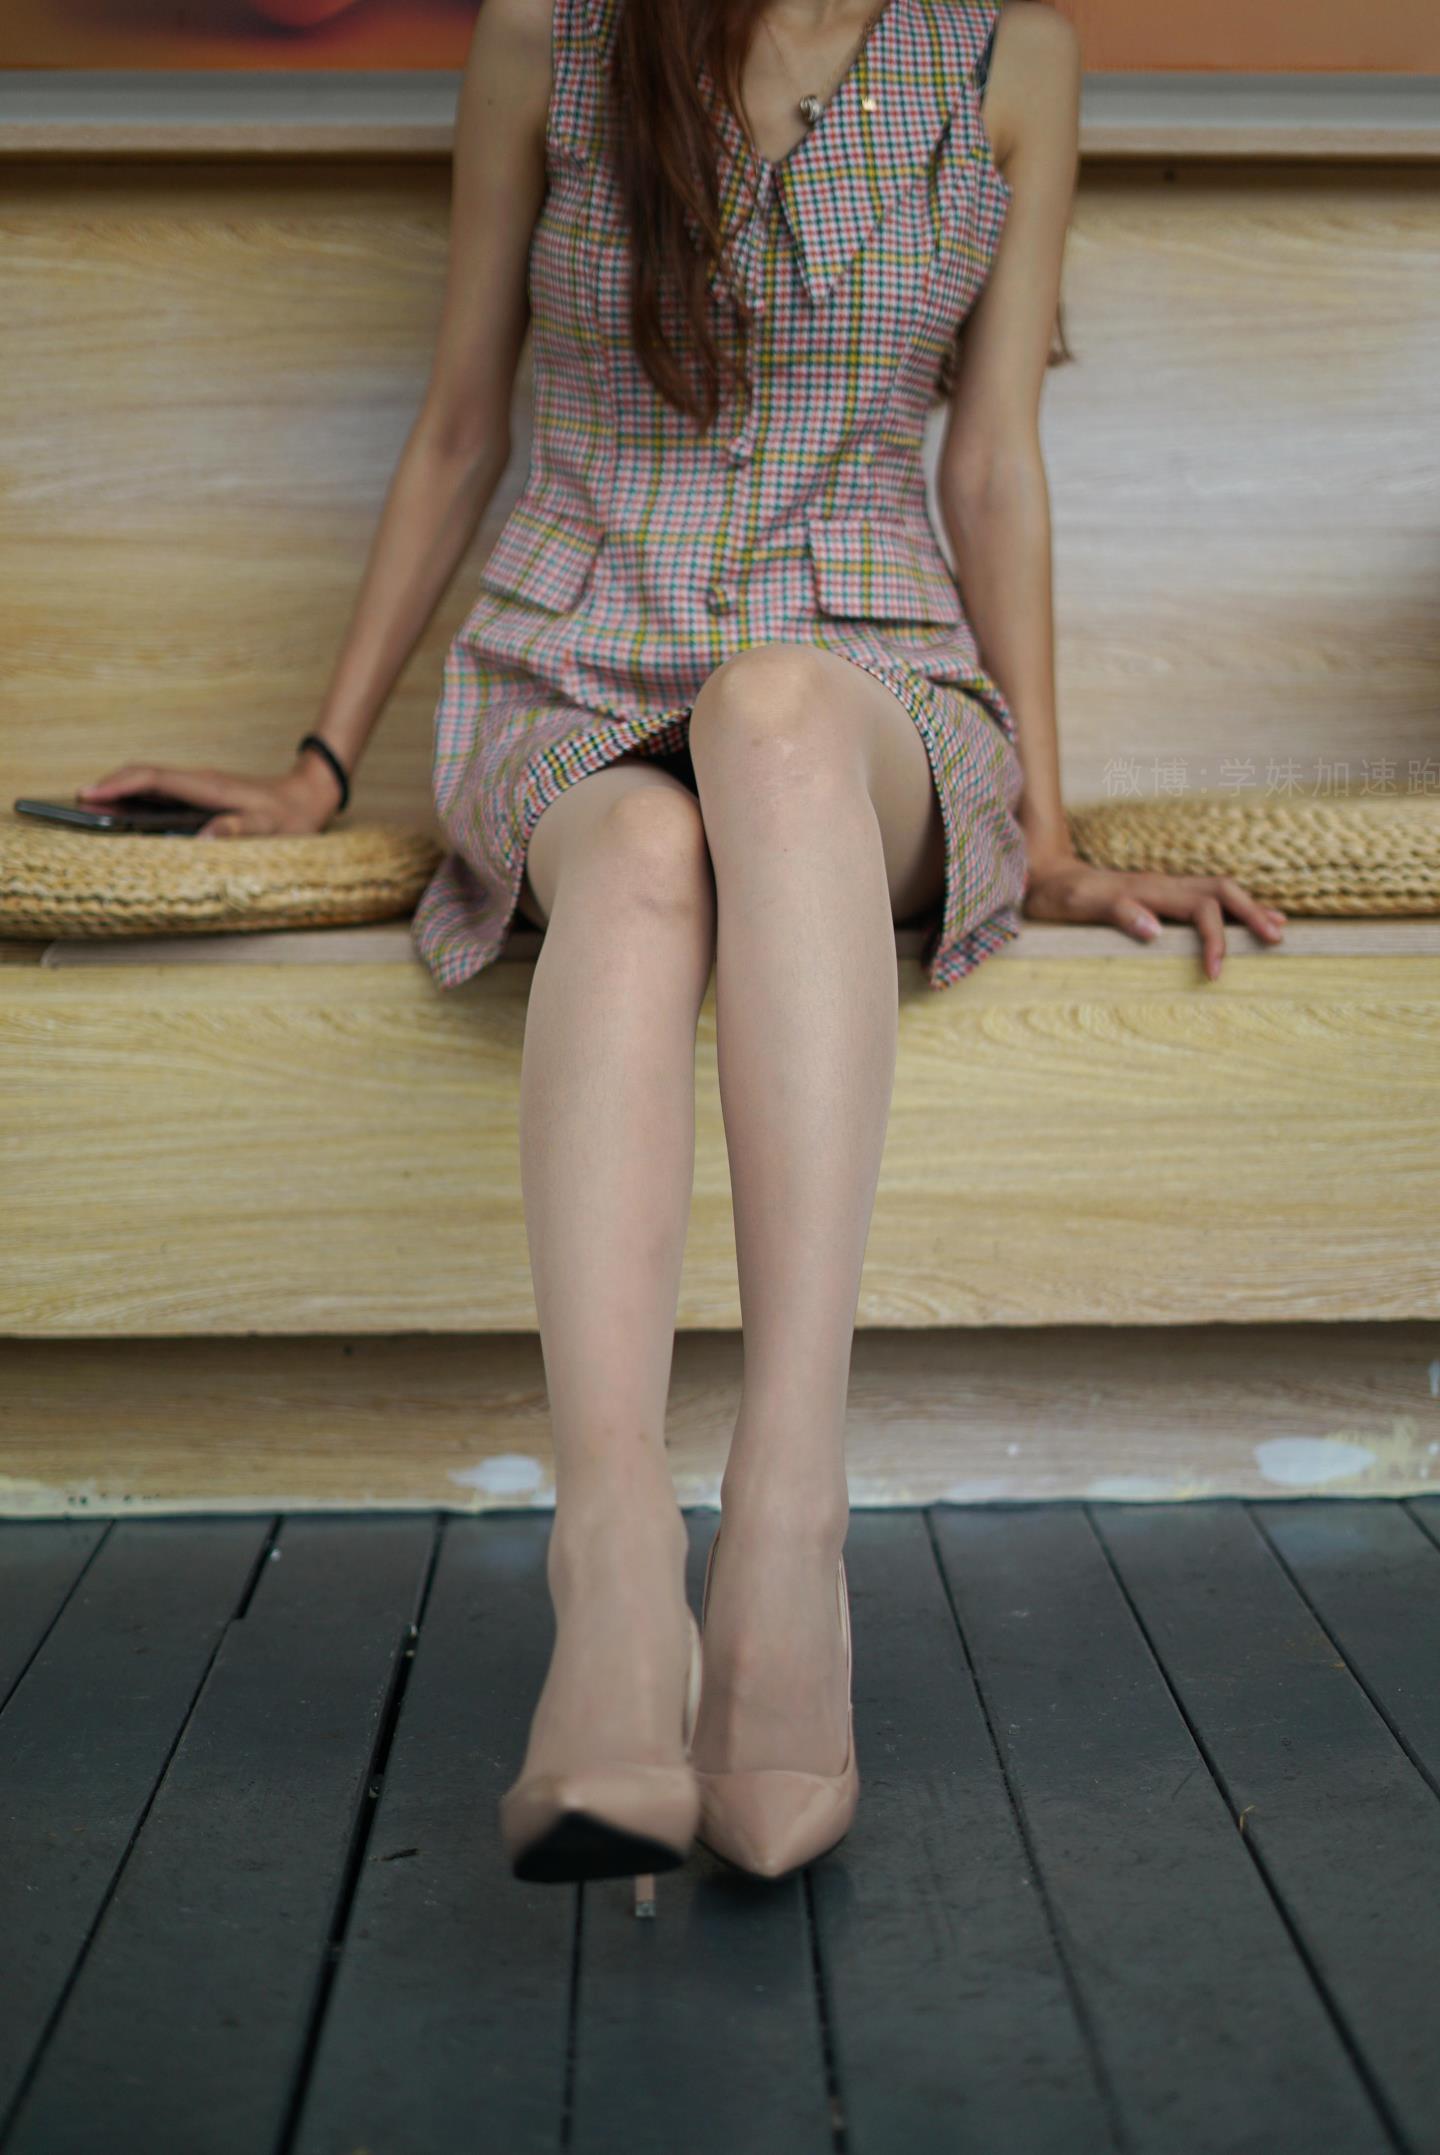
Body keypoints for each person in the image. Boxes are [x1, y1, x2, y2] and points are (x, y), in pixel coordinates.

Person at [77, 0, 1286, 1893]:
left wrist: (1042, 835)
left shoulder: (1007, 58)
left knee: (773, 716)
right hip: (570, 667)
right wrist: (319, 762)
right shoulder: (549, 39)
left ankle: (789, 1532)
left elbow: (990, 463)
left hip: (867, 681)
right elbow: (462, 423)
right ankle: (616, 1562)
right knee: (642, 854)